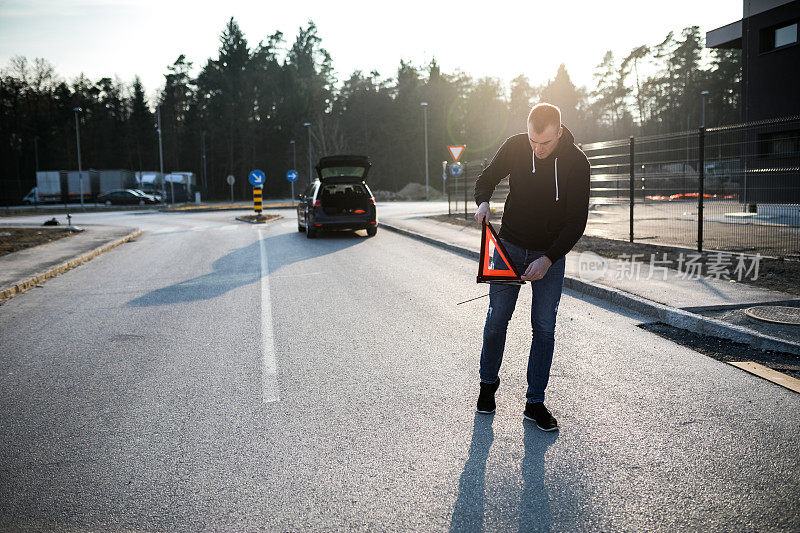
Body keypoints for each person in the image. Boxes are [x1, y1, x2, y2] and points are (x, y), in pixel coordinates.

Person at [473, 103, 590, 431]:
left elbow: (575, 222)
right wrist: (482, 201)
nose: (537, 149)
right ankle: (487, 388)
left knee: (544, 327)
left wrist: (549, 258)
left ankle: (534, 403)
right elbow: (486, 179)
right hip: (508, 246)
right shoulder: (515, 145)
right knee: (497, 318)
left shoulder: (577, 163)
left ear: (560, 132)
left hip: (549, 254)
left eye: (545, 143)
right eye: (532, 141)